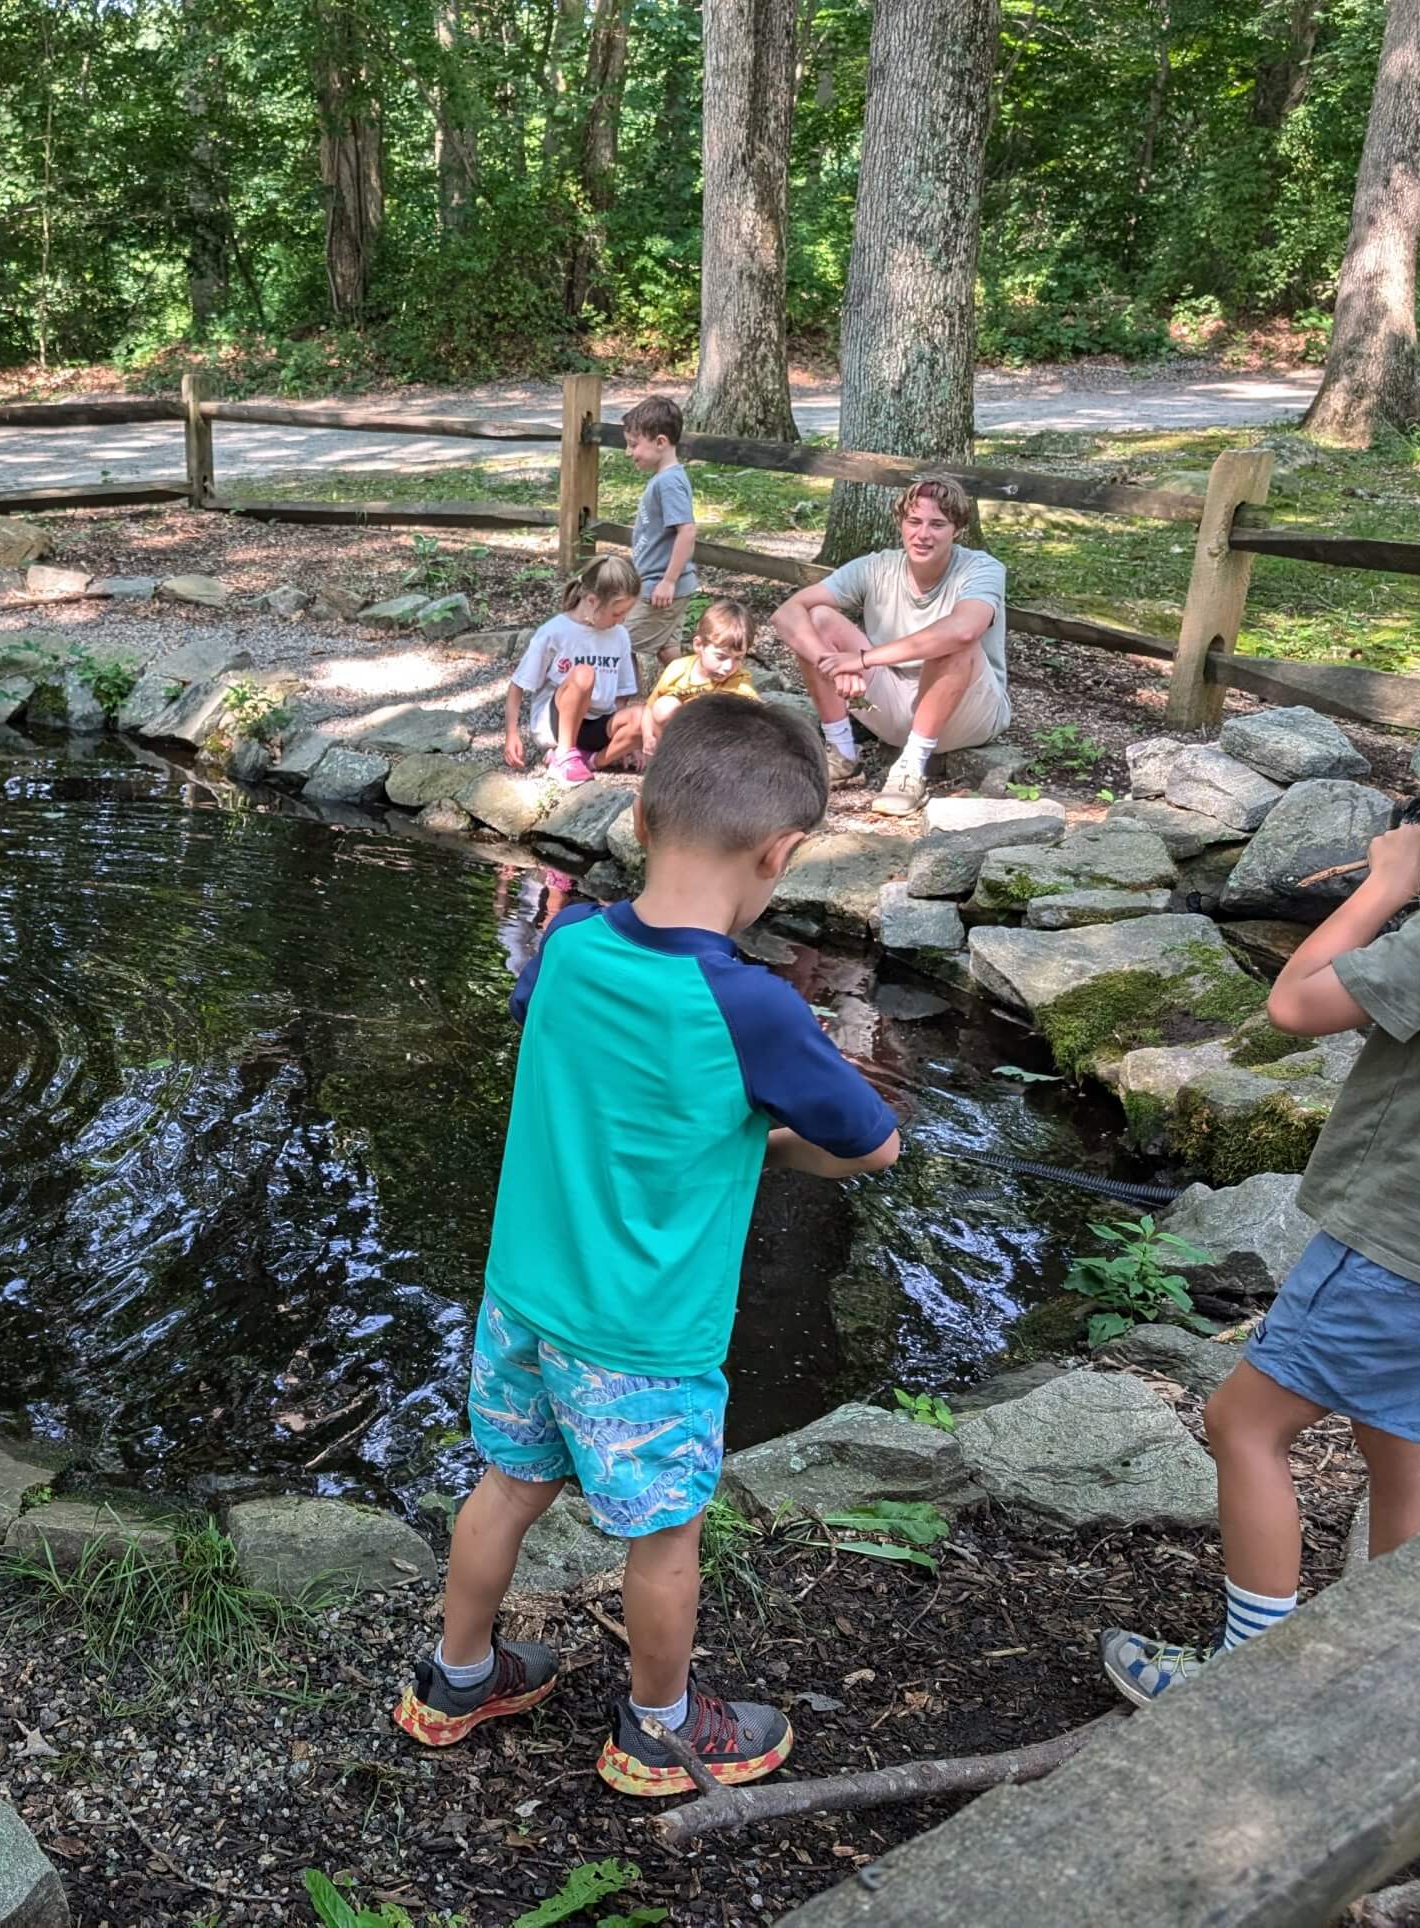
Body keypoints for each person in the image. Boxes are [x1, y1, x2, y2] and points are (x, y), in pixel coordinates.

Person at [395, 694, 901, 1796]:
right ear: (780, 853)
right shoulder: (755, 1008)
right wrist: (763, 1143)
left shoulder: (569, 942)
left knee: (508, 1484)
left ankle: (455, 1678)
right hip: (644, 1339)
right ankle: (660, 1732)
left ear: (639, 818)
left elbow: (577, 1059)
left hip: (524, 1299)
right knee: (666, 1536)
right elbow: (871, 1145)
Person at [1099, 686, 1420, 1705]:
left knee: (1243, 1424)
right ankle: (1396, 1674)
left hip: (1402, 1235)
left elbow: (1296, 1002)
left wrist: (1383, 885)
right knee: (1401, 1439)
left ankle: (1248, 1681)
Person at [769, 474, 1010, 818]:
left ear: (957, 529)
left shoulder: (982, 568)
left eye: (937, 524)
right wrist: (831, 662)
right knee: (818, 618)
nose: (923, 534)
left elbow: (964, 630)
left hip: (967, 713)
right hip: (891, 707)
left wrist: (863, 659)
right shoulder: (876, 566)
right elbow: (787, 613)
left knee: (954, 642)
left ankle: (911, 768)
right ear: (900, 523)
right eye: (914, 521)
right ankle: (842, 751)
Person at [503, 555, 645, 786]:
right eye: (617, 613)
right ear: (591, 601)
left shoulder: (619, 635)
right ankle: (564, 754)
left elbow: (621, 696)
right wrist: (512, 734)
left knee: (643, 717)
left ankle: (593, 761)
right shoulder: (555, 632)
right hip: (557, 725)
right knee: (583, 674)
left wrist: (627, 742)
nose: (621, 620)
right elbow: (518, 685)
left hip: (598, 724)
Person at [619, 396, 700, 689]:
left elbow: (686, 531)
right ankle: (695, 700)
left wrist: (668, 581)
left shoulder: (668, 482)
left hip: (660, 588)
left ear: (661, 442)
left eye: (633, 444)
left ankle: (622, 702)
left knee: (620, 644)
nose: (628, 452)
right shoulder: (665, 478)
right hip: (659, 585)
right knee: (668, 652)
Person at [641, 599, 761, 760]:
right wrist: (647, 736)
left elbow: (754, 712)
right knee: (664, 706)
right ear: (698, 645)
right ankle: (667, 758)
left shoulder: (739, 680)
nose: (728, 667)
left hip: (713, 747)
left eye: (738, 658)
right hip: (675, 740)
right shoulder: (678, 669)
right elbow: (650, 707)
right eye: (721, 657)